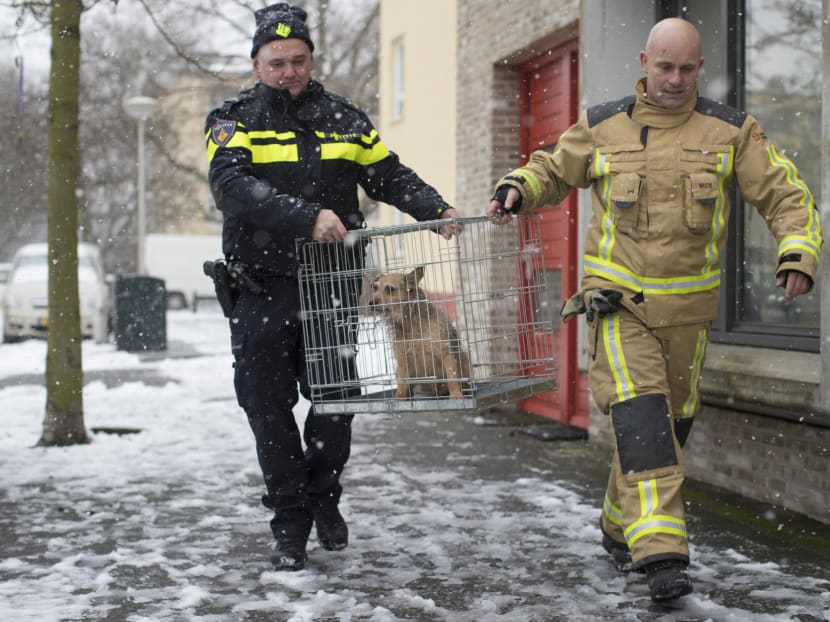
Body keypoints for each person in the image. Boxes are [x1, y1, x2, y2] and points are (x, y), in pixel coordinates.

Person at [487, 17, 822, 602]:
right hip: (619, 303)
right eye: (664, 66)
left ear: (699, 67)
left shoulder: (731, 131)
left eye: (686, 69)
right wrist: (519, 186)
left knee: (668, 429)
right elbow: (552, 168)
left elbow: (785, 194)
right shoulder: (602, 125)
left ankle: (619, 525)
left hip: (689, 315)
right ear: (644, 62)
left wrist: (798, 251)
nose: (675, 79)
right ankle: (662, 553)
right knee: (642, 418)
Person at [205, 2, 459, 571]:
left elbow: (388, 174)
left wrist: (436, 209)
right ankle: (290, 521)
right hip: (262, 289)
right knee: (268, 408)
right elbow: (230, 185)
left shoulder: (345, 119)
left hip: (333, 287)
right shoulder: (234, 119)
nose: (288, 71)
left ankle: (323, 499)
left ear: (312, 60)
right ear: (257, 64)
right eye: (276, 62)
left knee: (336, 402)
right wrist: (306, 216)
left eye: (298, 60)